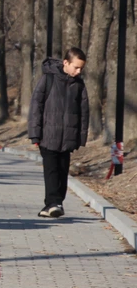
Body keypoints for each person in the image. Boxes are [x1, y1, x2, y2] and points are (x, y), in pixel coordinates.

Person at [27, 47, 90, 218]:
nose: (79, 71)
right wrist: (35, 133)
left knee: (62, 170)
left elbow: (84, 112)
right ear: (65, 63)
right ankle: (54, 202)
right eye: (76, 67)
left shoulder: (78, 85)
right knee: (52, 170)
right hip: (47, 135)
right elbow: (36, 107)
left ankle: (54, 204)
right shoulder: (48, 79)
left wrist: (80, 137)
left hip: (68, 138)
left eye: (81, 68)